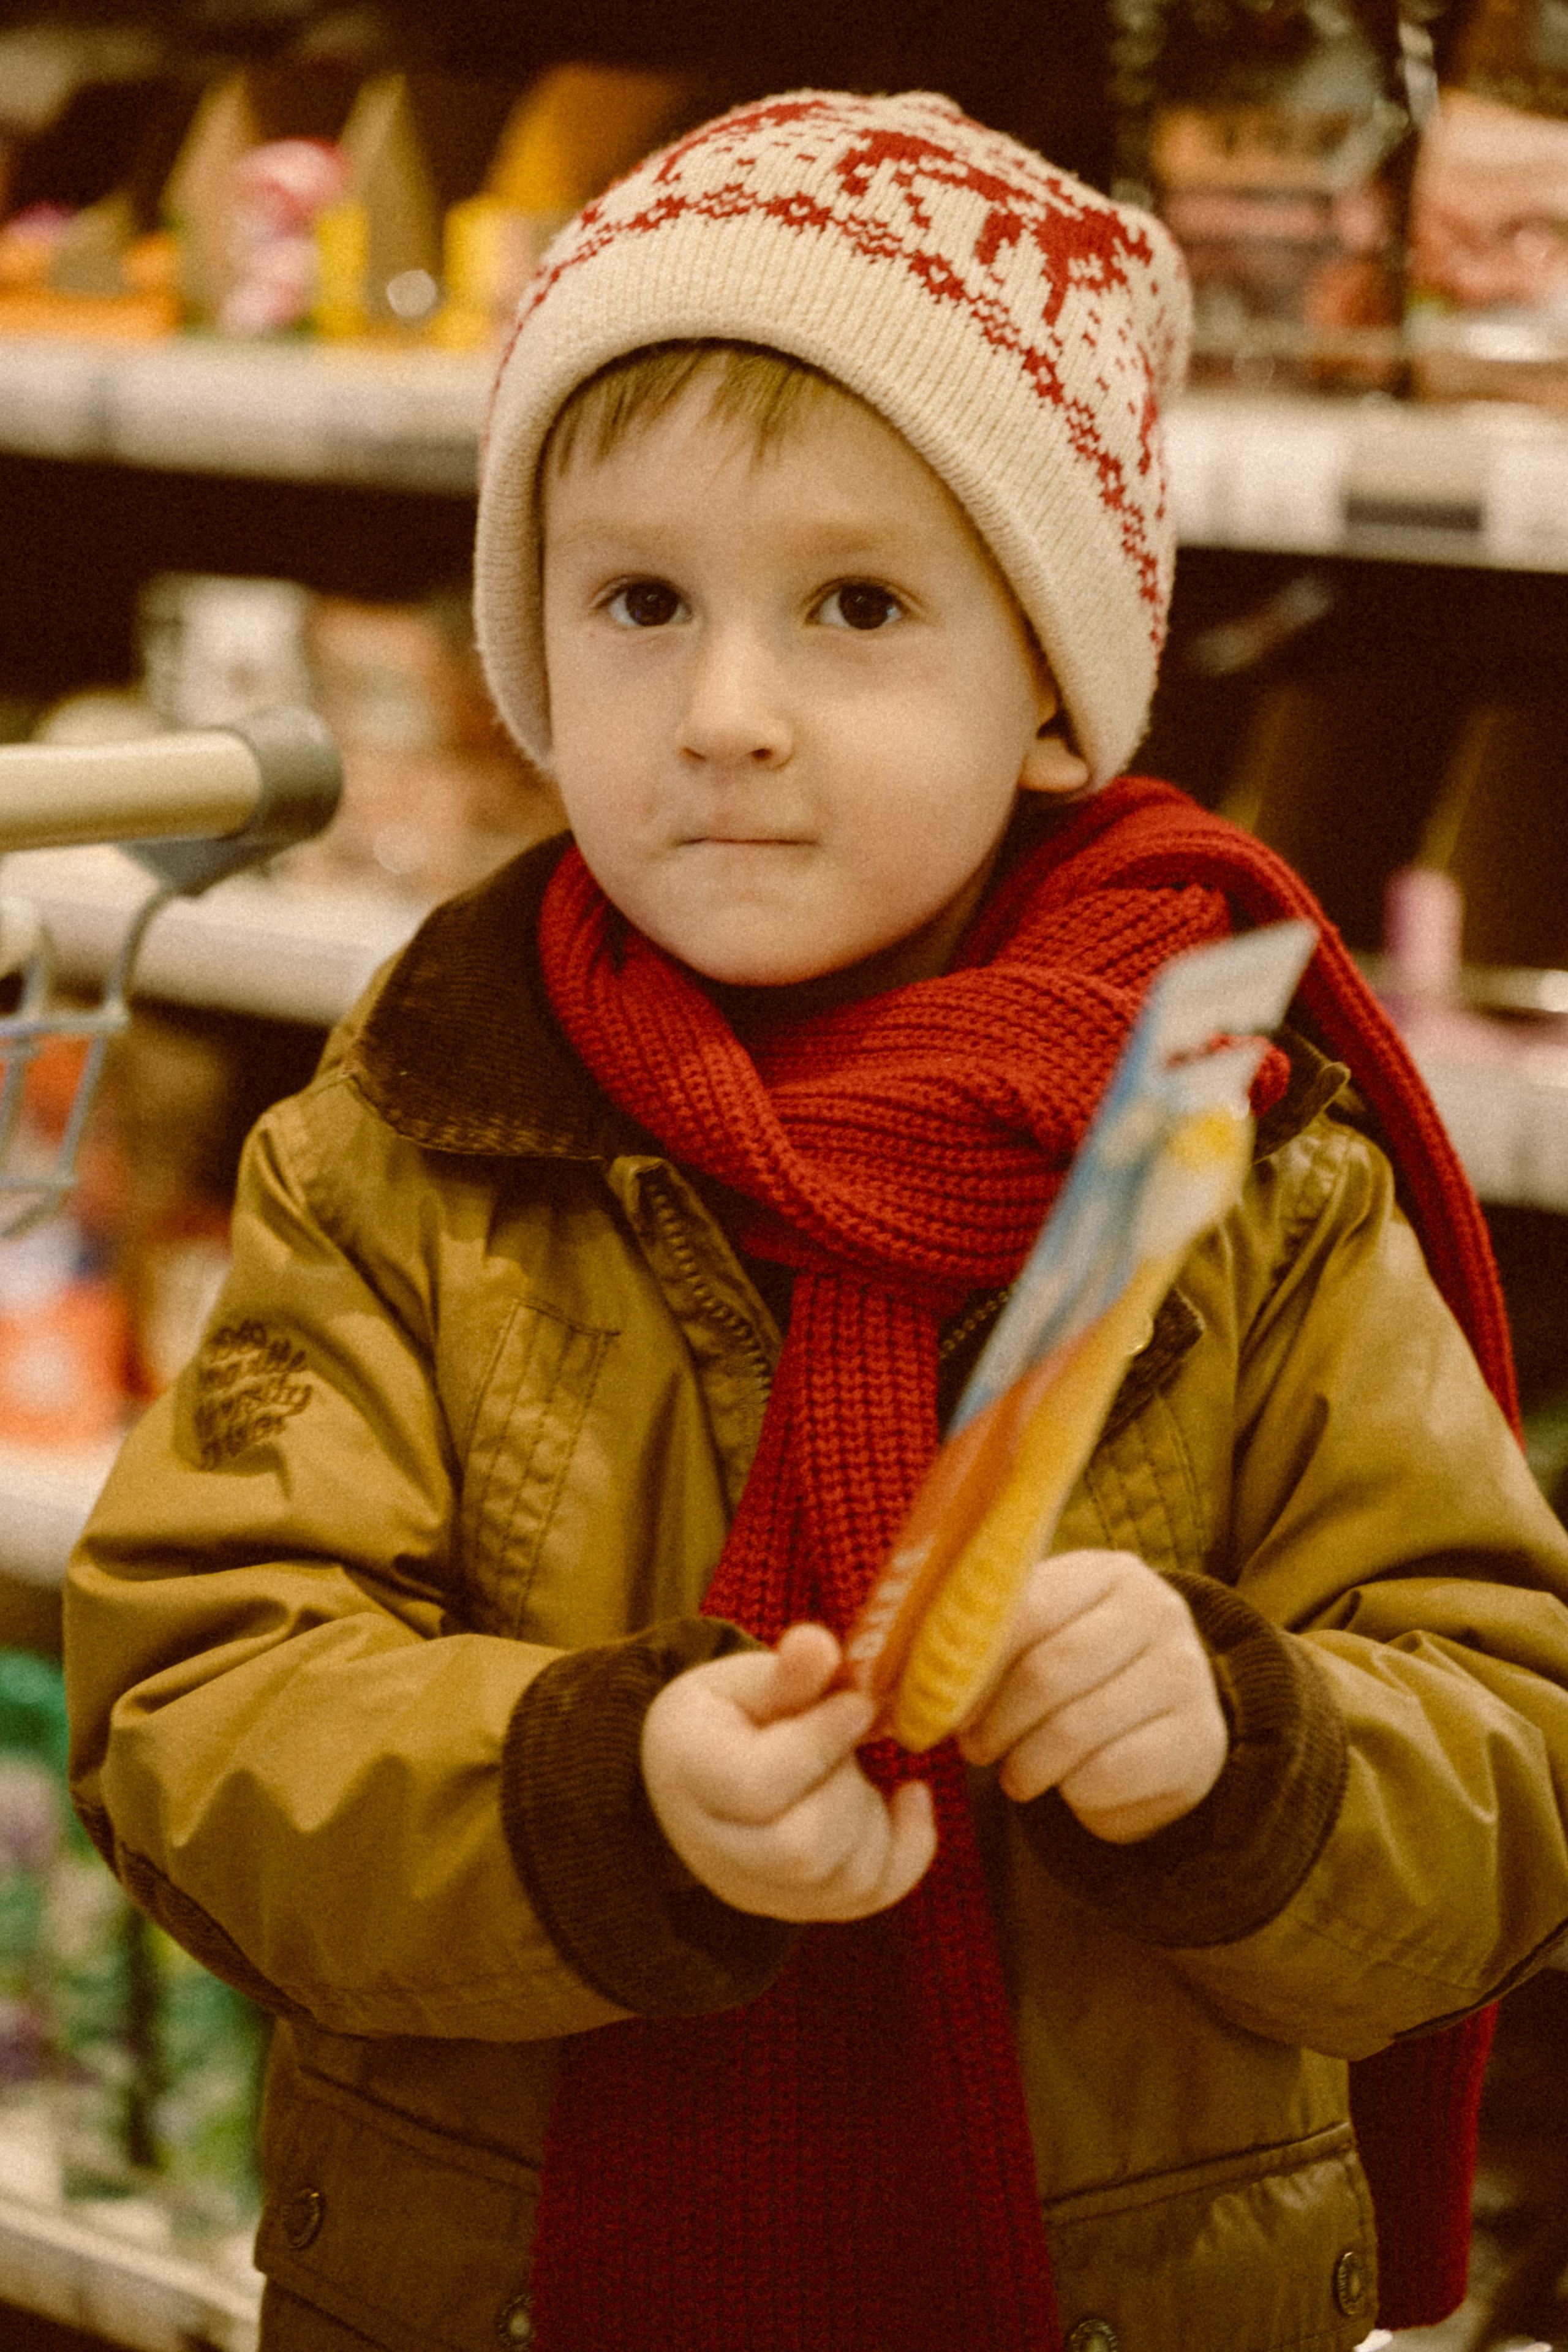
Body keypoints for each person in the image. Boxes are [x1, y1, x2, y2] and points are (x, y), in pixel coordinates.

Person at [64, 89, 1568, 2352]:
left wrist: (1241, 1752)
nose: (726, 713)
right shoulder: (406, 1142)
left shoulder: (1249, 1171)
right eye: (639, 602)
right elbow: (198, 1720)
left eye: (857, 605)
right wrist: (598, 1797)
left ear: (1052, 685)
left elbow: (1511, 1764)